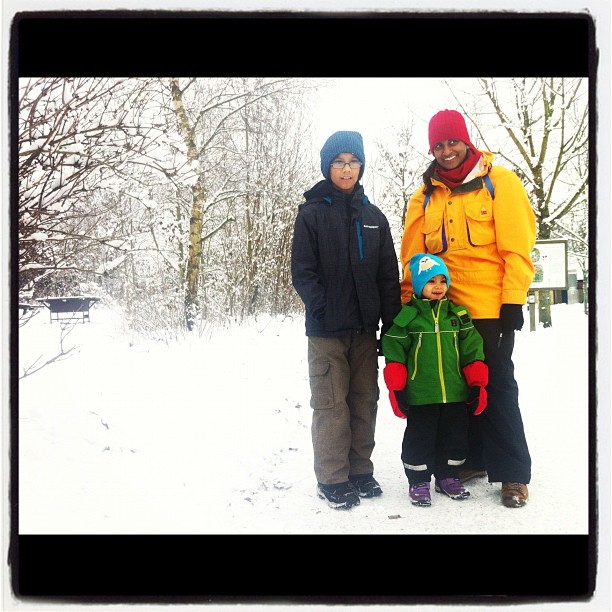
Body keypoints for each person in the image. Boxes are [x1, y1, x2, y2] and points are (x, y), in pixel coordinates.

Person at [399, 109, 536, 508]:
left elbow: (517, 247)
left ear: (467, 141)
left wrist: (512, 300)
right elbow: (414, 258)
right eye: (438, 145)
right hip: (442, 313)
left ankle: (512, 474)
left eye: (452, 142)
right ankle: (472, 459)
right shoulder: (423, 196)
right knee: (457, 392)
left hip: (490, 309)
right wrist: (407, 309)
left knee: (496, 386)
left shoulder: (499, 183)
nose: (446, 151)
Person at [291, 130, 401, 510]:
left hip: (364, 331)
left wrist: (391, 325)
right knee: (331, 404)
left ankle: (360, 471)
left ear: (361, 166)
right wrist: (322, 308)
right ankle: (332, 477)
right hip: (326, 331)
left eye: (353, 162)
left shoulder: (374, 217)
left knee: (364, 400)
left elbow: (389, 276)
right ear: (327, 166)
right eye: (338, 162)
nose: (346, 169)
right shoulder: (311, 214)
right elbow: (302, 272)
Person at [382, 253, 488, 507]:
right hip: (421, 393)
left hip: (455, 393)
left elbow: (473, 349)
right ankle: (418, 480)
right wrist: (397, 389)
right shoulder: (408, 319)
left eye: (442, 280)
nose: (438, 286)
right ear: (419, 286)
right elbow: (394, 351)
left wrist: (477, 385)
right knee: (420, 438)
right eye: (430, 281)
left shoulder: (458, 316)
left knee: (455, 437)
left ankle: (448, 476)